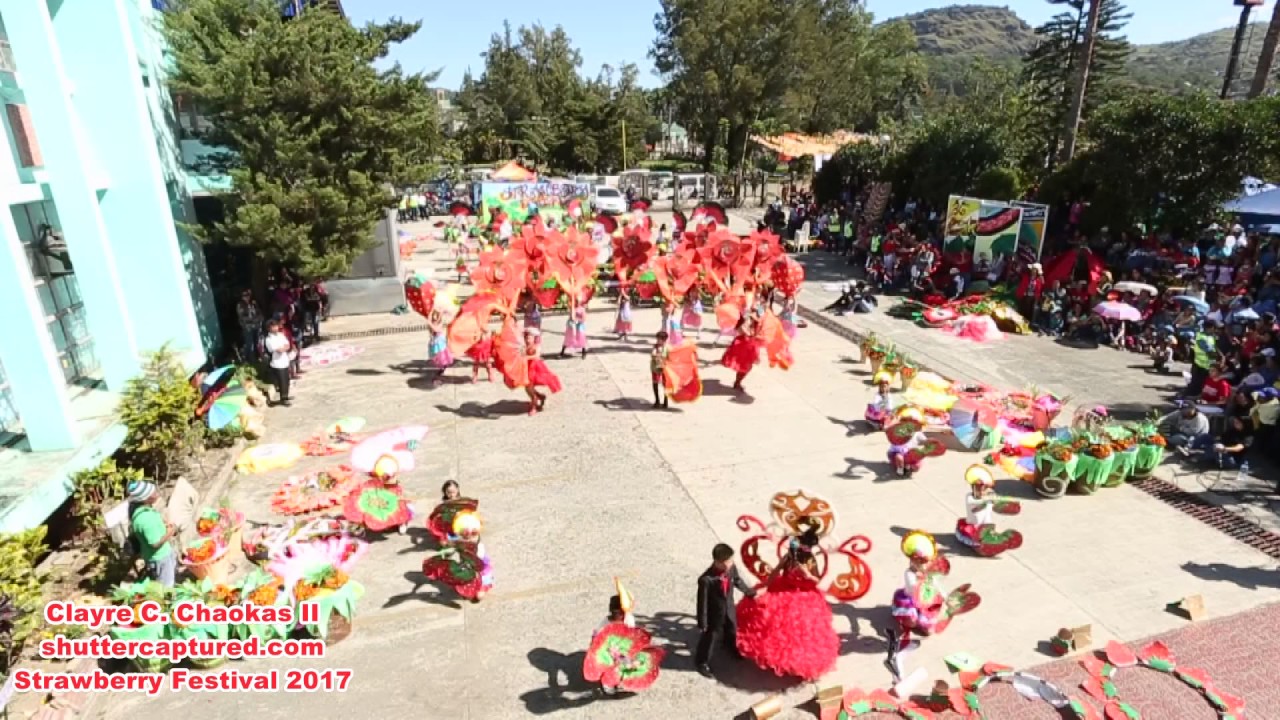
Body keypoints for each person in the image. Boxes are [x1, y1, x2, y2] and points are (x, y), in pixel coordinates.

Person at [734, 523, 839, 681]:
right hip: (783, 588)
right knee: (771, 622)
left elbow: (816, 580)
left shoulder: (811, 562)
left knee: (803, 632)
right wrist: (766, 587)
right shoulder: (789, 558)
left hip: (804, 594)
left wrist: (806, 574)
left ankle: (800, 664)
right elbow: (775, 572)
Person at [694, 543, 756, 677]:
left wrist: (748, 592)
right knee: (710, 638)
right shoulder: (706, 580)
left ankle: (731, 647)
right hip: (714, 615)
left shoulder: (731, 569)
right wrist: (702, 622)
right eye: (728, 561)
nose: (731, 563)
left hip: (729, 608)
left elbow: (738, 581)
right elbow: (702, 602)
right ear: (718, 562)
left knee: (732, 629)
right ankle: (702, 662)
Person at [127, 480, 176, 588]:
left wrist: (163, 524)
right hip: (160, 557)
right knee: (166, 587)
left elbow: (153, 527)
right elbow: (155, 543)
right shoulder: (146, 519)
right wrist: (170, 532)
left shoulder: (142, 510)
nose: (157, 494)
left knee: (167, 581)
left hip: (159, 555)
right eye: (154, 493)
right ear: (146, 498)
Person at [720, 316, 761, 392]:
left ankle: (737, 382)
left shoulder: (758, 319)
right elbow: (740, 328)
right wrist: (749, 334)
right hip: (743, 344)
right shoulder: (749, 318)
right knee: (744, 366)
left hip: (750, 344)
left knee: (746, 366)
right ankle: (737, 382)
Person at [263, 320, 293, 406]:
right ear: (269, 328)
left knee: (287, 380)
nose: (276, 328)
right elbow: (278, 350)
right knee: (282, 381)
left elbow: (287, 345)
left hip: (285, 360)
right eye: (273, 327)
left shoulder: (281, 335)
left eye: (276, 326)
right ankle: (283, 399)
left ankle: (286, 396)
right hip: (277, 362)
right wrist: (282, 348)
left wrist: (283, 348)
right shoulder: (268, 339)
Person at [427, 310, 452, 386]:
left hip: (441, 343)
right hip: (437, 344)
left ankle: (440, 373)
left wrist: (441, 312)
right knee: (439, 360)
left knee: (443, 359)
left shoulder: (439, 323)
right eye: (434, 317)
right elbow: (433, 327)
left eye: (436, 316)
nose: (435, 318)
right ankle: (437, 377)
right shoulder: (432, 325)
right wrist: (431, 314)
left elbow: (439, 321)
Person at [236, 290, 262, 361]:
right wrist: (253, 319)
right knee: (250, 344)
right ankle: (251, 360)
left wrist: (259, 318)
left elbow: (259, 312)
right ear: (242, 297)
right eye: (245, 296)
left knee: (257, 342)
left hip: (256, 326)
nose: (247, 297)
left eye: (248, 295)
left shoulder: (253, 303)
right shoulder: (240, 305)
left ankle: (257, 357)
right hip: (247, 327)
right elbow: (242, 317)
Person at [651, 331, 670, 409]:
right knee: (655, 383)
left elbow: (669, 357)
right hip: (655, 368)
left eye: (659, 340)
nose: (658, 341)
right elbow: (652, 354)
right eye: (657, 339)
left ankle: (666, 401)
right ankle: (657, 400)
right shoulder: (655, 347)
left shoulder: (667, 348)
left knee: (666, 384)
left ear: (664, 340)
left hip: (664, 368)